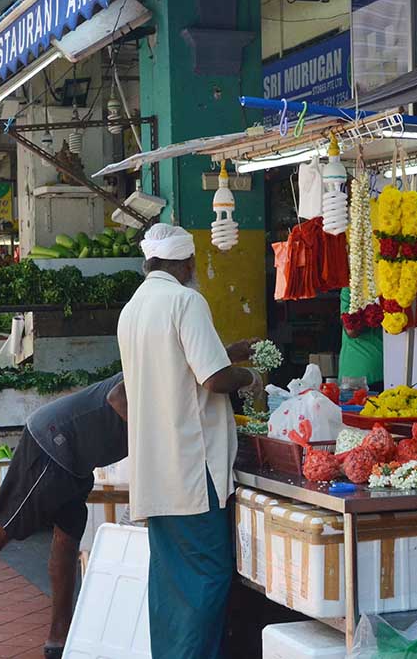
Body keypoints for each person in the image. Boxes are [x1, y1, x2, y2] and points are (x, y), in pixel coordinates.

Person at [117, 224, 263, 659]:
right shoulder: (185, 300)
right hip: (192, 474)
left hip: (155, 471)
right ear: (185, 264)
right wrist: (250, 376)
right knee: (209, 579)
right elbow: (214, 379)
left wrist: (227, 350)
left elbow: (176, 365)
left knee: (171, 586)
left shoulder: (134, 308)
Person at [0, 373, 128, 659]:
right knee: (10, 521)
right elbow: (118, 397)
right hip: (56, 441)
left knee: (67, 540)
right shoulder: (165, 360)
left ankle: (59, 638)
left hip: (78, 457)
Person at [338, 287, 384, 392]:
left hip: (387, 370)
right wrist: (371, 313)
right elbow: (351, 330)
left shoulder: (390, 283)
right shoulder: (350, 288)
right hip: (358, 373)